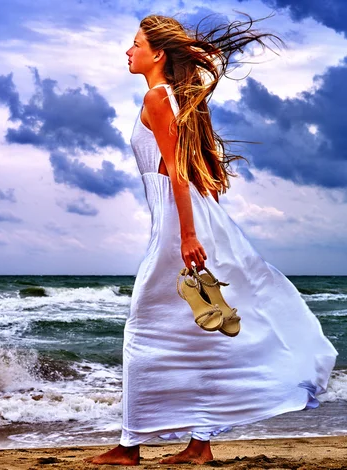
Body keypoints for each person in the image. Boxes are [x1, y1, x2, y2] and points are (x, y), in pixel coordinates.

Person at [86, 14, 338, 466]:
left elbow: (178, 170)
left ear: (157, 54)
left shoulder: (157, 97)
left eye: (135, 43)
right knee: (197, 331)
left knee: (142, 330)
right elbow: (188, 169)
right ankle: (197, 445)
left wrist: (186, 234)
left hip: (178, 222)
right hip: (183, 217)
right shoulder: (171, 98)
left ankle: (129, 447)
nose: (128, 50)